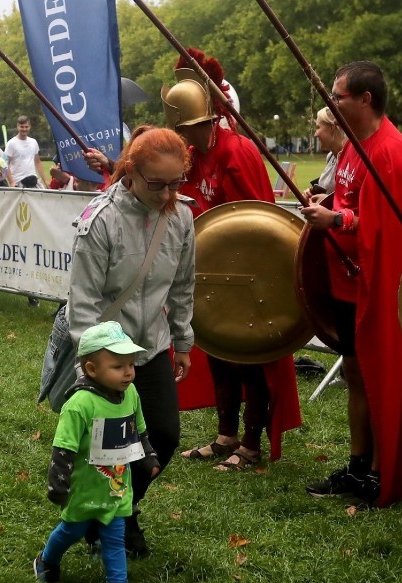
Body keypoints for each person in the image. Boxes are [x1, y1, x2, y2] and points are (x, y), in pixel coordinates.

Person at [160, 49, 302, 471]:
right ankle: (226, 435)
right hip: (208, 273)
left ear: (203, 122)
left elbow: (256, 222)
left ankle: (252, 444)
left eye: (186, 128)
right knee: (218, 351)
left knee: (249, 358)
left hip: (246, 277)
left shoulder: (237, 152)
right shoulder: (194, 157)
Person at [300, 61, 402, 507]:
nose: (332, 104)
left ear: (364, 99)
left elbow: (384, 228)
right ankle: (359, 463)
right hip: (346, 283)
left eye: (338, 96)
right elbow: (353, 199)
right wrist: (329, 202)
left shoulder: (390, 153)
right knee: (356, 373)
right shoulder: (354, 146)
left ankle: (380, 472)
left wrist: (335, 218)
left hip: (373, 286)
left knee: (376, 376)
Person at [67, 125, 195, 557]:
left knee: (163, 434)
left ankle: (119, 509)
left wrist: (183, 339)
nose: (166, 193)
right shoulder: (101, 219)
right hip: (105, 350)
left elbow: (182, 285)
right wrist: (95, 364)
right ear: (131, 171)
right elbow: (82, 301)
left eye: (175, 183)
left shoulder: (181, 217)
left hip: (153, 346)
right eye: (156, 184)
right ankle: (118, 521)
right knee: (110, 445)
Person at [33, 321, 160, 583]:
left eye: (131, 364)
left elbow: (138, 431)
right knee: (71, 531)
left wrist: (149, 457)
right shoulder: (79, 405)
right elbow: (63, 448)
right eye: (118, 366)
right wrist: (58, 483)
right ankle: (47, 560)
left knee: (115, 538)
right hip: (84, 488)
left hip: (117, 488)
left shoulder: (131, 394)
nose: (128, 372)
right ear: (91, 369)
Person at [302, 106, 345, 200]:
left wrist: (326, 200)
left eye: (318, 127)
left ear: (332, 128)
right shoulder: (330, 157)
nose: (315, 134)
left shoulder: (349, 158)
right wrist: (311, 193)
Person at [5, 115, 47, 189]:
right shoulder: (11, 143)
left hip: (33, 180)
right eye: (22, 126)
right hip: (18, 182)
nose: (24, 129)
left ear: (30, 127)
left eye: (26, 127)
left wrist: (46, 181)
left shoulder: (33, 142)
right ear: (17, 126)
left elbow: (38, 162)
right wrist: (11, 182)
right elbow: (5, 164)